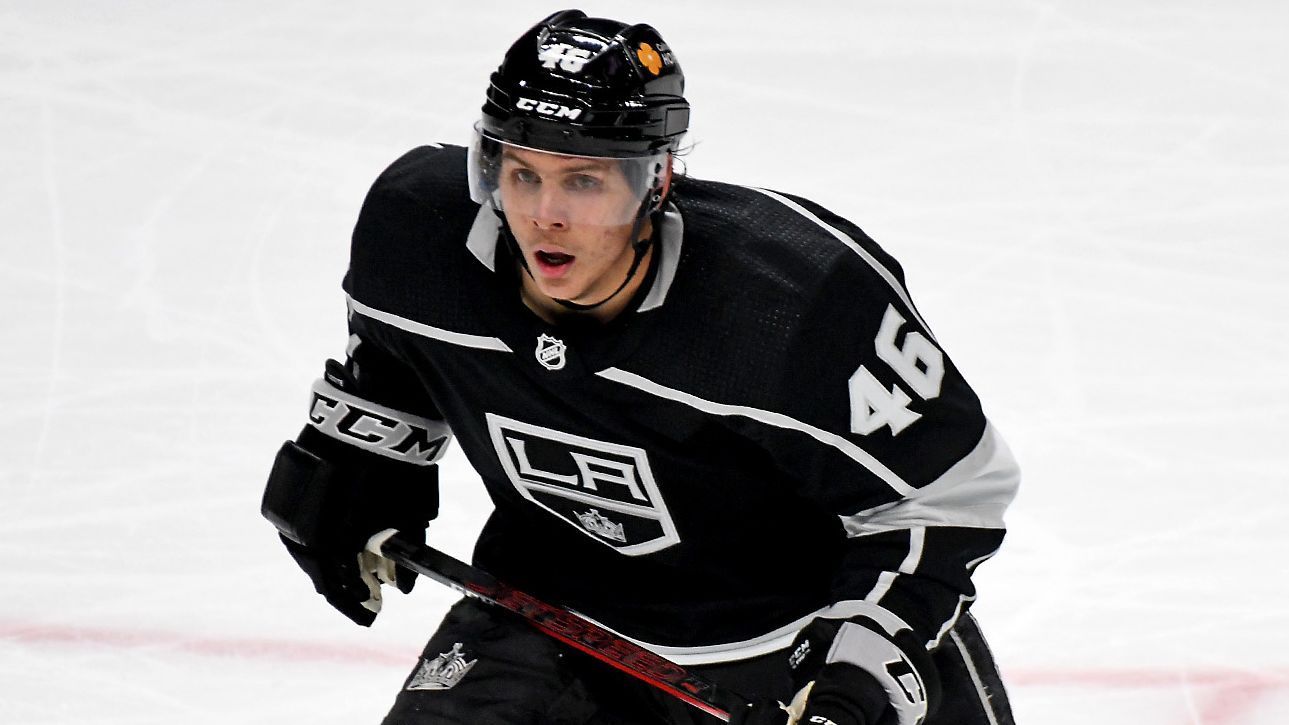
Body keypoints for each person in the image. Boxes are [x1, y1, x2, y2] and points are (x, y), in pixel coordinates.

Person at [260, 9, 1020, 725]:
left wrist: (859, 672)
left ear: (656, 181)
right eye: (521, 174)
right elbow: (393, 361)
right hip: (547, 617)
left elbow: (946, 495)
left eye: (582, 181)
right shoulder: (418, 236)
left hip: (790, 651)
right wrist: (356, 457)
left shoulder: (794, 304)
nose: (543, 214)